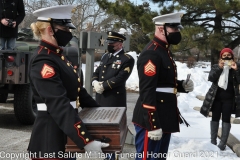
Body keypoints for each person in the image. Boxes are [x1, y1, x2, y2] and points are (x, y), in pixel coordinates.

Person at [27, 5, 109, 160]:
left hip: (66, 134)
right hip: (50, 141)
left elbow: (79, 92)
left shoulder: (59, 56)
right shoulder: (43, 60)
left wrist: (102, 114)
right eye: (65, 29)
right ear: (50, 30)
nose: (69, 33)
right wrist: (86, 141)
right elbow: (58, 103)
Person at [132, 12, 194, 160]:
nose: (177, 32)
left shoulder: (163, 50)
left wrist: (181, 86)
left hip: (164, 116)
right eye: (174, 28)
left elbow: (162, 82)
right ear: (161, 29)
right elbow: (147, 90)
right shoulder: (151, 53)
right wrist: (153, 124)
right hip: (152, 119)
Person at [200, 48, 240, 150]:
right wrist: (219, 68)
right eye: (224, 55)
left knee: (226, 120)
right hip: (216, 99)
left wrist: (237, 70)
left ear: (232, 56)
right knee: (215, 118)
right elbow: (211, 78)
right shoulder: (216, 66)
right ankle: (213, 142)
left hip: (229, 100)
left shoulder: (236, 67)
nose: (226, 57)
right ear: (221, 57)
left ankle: (223, 144)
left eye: (229, 55)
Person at [91, 31, 135, 107]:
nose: (109, 45)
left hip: (114, 98)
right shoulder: (105, 56)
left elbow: (121, 77)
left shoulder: (126, 59)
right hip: (100, 97)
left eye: (112, 43)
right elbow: (98, 71)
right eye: (108, 42)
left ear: (120, 45)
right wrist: (94, 82)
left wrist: (103, 86)